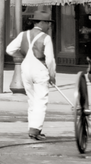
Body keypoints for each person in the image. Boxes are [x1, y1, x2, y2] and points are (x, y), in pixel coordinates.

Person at [6, 9, 58, 140]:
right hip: (39, 69)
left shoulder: (23, 35)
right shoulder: (46, 38)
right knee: (41, 100)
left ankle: (32, 127)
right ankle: (35, 129)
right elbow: (50, 60)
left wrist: (22, 55)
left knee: (32, 100)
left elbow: (9, 49)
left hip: (26, 68)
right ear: (42, 23)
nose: (49, 26)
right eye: (48, 23)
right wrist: (52, 75)